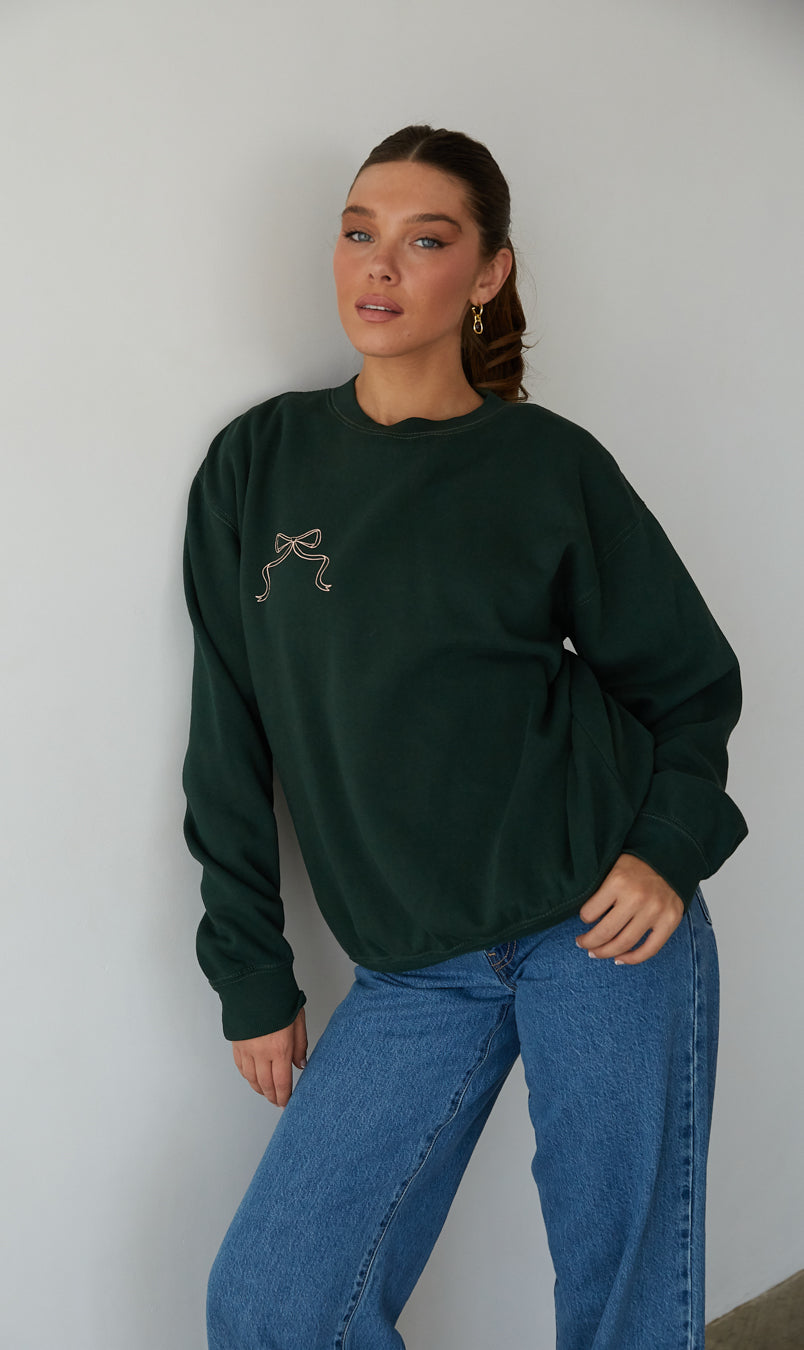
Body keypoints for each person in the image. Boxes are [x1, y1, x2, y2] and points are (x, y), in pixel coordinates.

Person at [180, 124, 748, 1350]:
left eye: (426, 241)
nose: (380, 266)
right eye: (359, 232)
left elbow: (690, 684)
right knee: (273, 1304)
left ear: (487, 272)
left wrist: (665, 849)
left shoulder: (546, 464)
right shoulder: (256, 465)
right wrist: (250, 971)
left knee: (623, 1306)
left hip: (598, 924)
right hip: (411, 962)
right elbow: (228, 734)